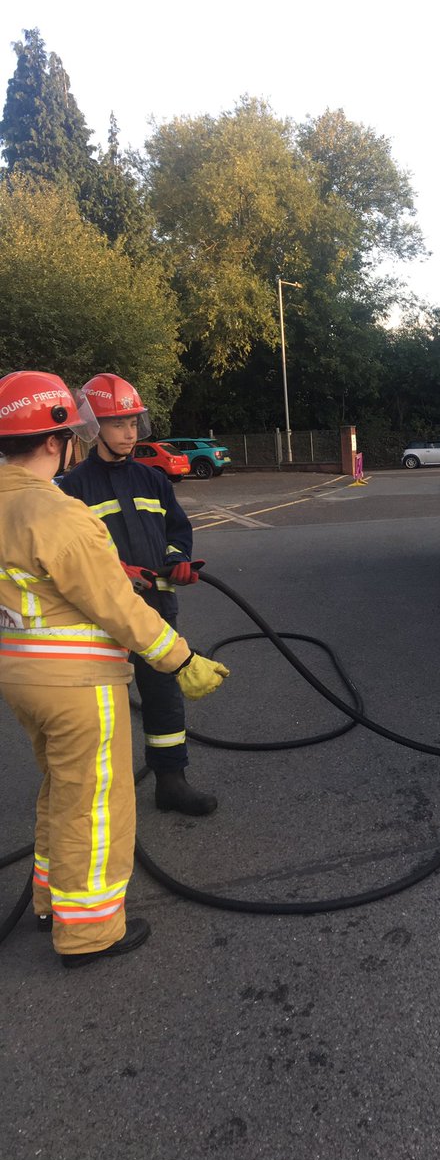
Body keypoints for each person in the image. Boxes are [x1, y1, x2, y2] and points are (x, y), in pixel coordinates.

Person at [0, 370, 229, 967]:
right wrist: (180, 657)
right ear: (58, 439)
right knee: (94, 805)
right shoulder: (60, 508)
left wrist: (173, 561)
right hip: (76, 679)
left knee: (61, 791)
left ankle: (53, 902)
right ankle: (90, 933)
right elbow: (113, 603)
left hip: (21, 675)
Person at [60, 373, 216, 816]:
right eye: (117, 423)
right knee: (97, 711)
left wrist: (178, 559)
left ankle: (171, 781)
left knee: (164, 696)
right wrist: (114, 570)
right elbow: (71, 556)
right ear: (92, 428)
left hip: (155, 612)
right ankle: (93, 796)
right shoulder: (72, 490)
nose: (129, 432)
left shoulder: (154, 481)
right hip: (101, 619)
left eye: (133, 422)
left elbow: (176, 531)